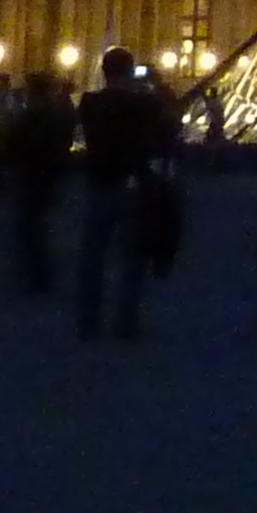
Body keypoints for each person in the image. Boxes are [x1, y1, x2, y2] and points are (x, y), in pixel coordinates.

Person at [72, 49, 170, 339]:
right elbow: (167, 130)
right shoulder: (144, 104)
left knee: (92, 256)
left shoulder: (89, 103)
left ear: (104, 71)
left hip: (98, 183)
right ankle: (126, 322)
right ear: (129, 71)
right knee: (132, 259)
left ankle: (88, 319)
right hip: (133, 186)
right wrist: (155, 88)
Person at [8, 76, 75, 295]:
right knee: (37, 228)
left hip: (32, 175)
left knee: (31, 229)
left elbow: (18, 144)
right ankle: (37, 273)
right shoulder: (55, 116)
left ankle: (35, 274)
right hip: (47, 176)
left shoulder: (32, 117)